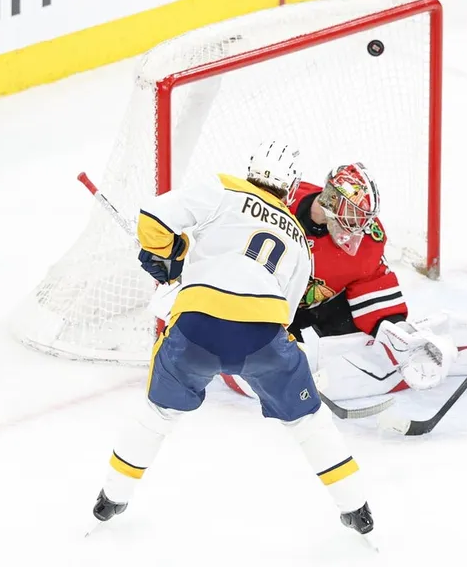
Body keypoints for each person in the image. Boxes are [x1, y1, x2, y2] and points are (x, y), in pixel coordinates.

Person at [90, 141, 374, 540]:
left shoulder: (223, 188)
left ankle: (111, 498)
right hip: (263, 340)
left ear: (250, 170)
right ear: (291, 189)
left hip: (197, 329)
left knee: (157, 414)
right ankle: (356, 508)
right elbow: (286, 312)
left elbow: (153, 218)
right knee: (309, 422)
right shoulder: (298, 238)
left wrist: (168, 254)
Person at [220, 162, 467, 402]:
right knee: (265, 351)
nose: (359, 226)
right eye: (352, 214)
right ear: (330, 200)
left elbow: (372, 283)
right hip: (271, 302)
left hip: (326, 302)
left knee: (360, 347)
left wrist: (398, 334)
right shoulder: (273, 207)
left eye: (363, 217)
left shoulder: (366, 239)